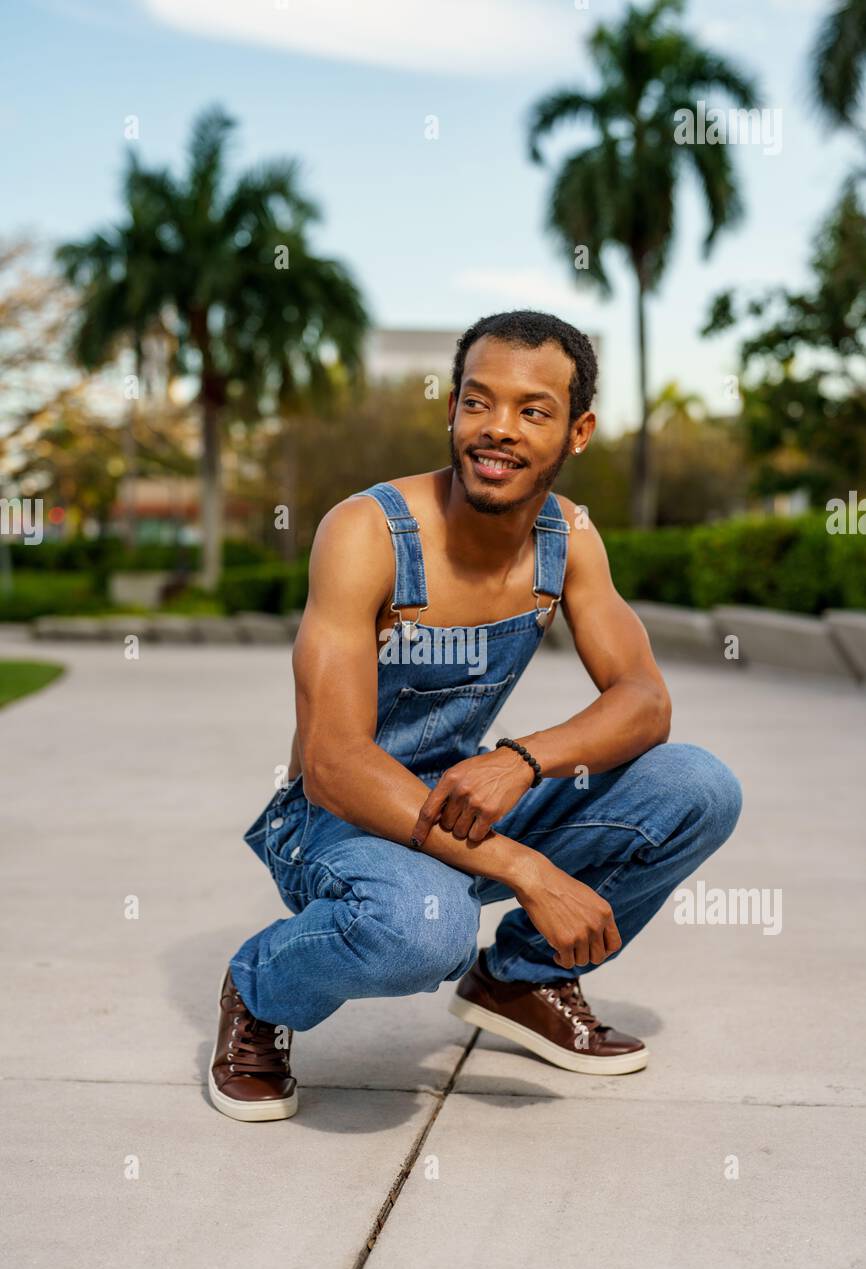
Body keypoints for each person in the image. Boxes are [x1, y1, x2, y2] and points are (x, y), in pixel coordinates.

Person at [209, 309, 743, 1122]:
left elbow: (644, 700)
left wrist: (520, 761)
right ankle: (258, 991)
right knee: (424, 931)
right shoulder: (367, 534)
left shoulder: (571, 540)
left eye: (534, 411)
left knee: (699, 784)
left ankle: (519, 982)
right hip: (341, 819)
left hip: (467, 794)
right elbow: (334, 763)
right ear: (451, 409)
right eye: (477, 402)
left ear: (578, 431)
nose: (498, 430)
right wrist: (529, 871)